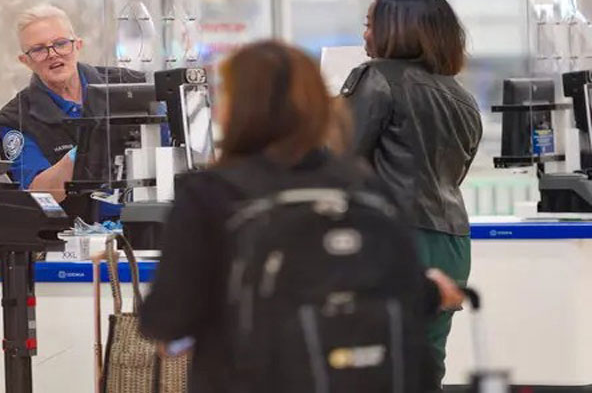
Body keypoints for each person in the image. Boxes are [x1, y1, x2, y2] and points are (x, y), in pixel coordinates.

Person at [139, 40, 462, 393]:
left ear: (234, 108)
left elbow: (167, 319)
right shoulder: (364, 186)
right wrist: (435, 291)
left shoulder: (210, 194)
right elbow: (405, 292)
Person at [341, 0, 483, 389]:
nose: (365, 34)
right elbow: (456, 172)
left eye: (371, 24)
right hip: (452, 241)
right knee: (424, 365)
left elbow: (339, 160)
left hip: (394, 237)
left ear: (396, 29)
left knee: (371, 364)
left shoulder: (376, 77)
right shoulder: (461, 97)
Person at [0, 4, 142, 219]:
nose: (53, 54)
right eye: (38, 50)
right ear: (25, 61)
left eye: (60, 44)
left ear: (78, 45)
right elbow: (37, 193)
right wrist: (81, 153)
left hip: (149, 221)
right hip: (75, 232)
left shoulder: (130, 85)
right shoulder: (16, 120)